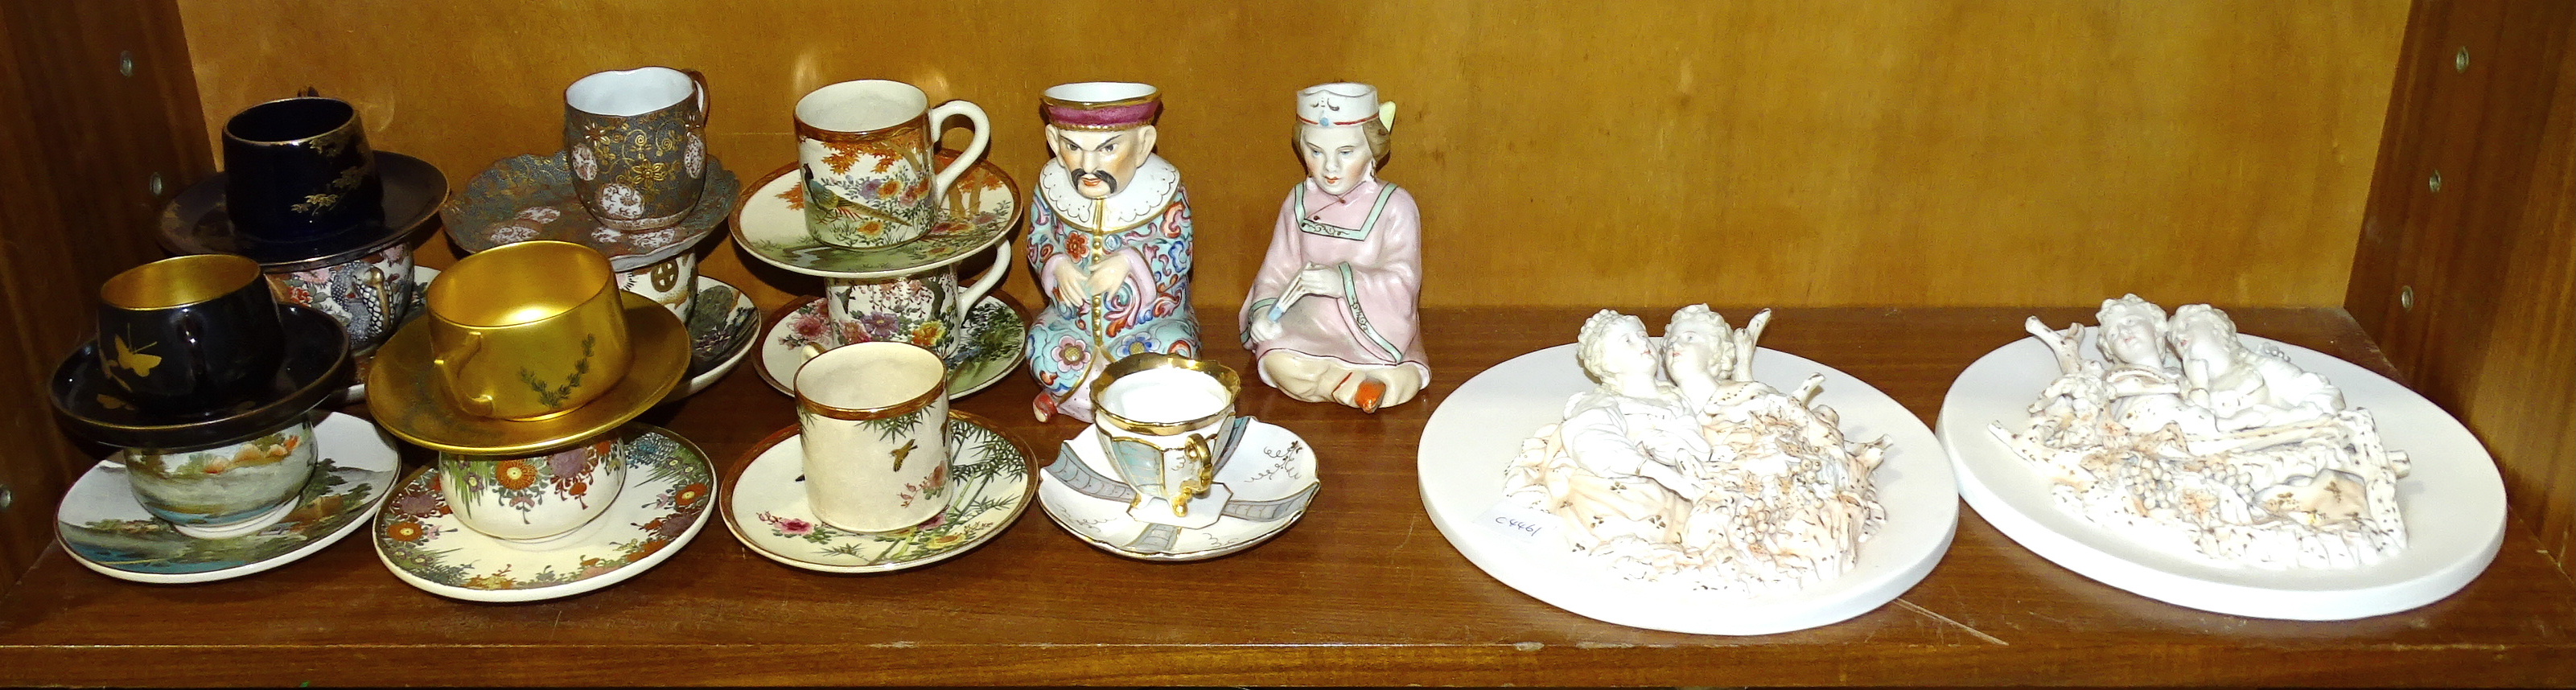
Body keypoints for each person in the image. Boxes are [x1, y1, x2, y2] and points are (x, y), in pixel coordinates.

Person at [1241, 83, 1428, 412]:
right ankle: (1350, 387)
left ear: (1372, 150)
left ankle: (1352, 381)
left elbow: (1404, 278)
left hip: (1372, 327)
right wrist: (1262, 313)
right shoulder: (1298, 201)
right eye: (1316, 152)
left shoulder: (1395, 205)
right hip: (1309, 321)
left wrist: (1342, 281)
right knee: (1278, 361)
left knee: (1404, 374)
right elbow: (1276, 269)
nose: (1330, 168)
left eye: (1345, 153)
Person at [1024, 82, 1200, 422]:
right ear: (1055, 143)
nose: (1088, 165)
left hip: (1148, 326)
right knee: (1040, 348)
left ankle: (1129, 410)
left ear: (1143, 144)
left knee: (1170, 356)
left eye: (1108, 149)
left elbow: (1178, 248)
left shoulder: (1166, 187)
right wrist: (1056, 263)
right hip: (1072, 326)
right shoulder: (1050, 185)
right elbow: (1038, 236)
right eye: (1074, 147)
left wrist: (1129, 262)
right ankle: (1070, 398)